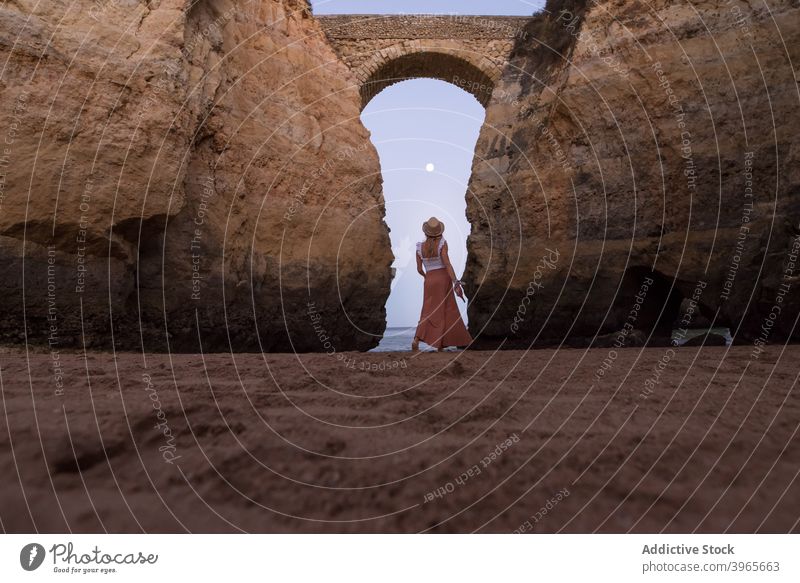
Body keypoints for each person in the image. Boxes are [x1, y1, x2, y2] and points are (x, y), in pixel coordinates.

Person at [411, 217, 473, 352]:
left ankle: (418, 339)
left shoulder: (419, 247)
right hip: (443, 279)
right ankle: (440, 344)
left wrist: (427, 277)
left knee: (427, 310)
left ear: (426, 232)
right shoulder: (442, 244)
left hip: (429, 280)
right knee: (447, 309)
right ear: (439, 232)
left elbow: (419, 269)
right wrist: (455, 281)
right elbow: (447, 264)